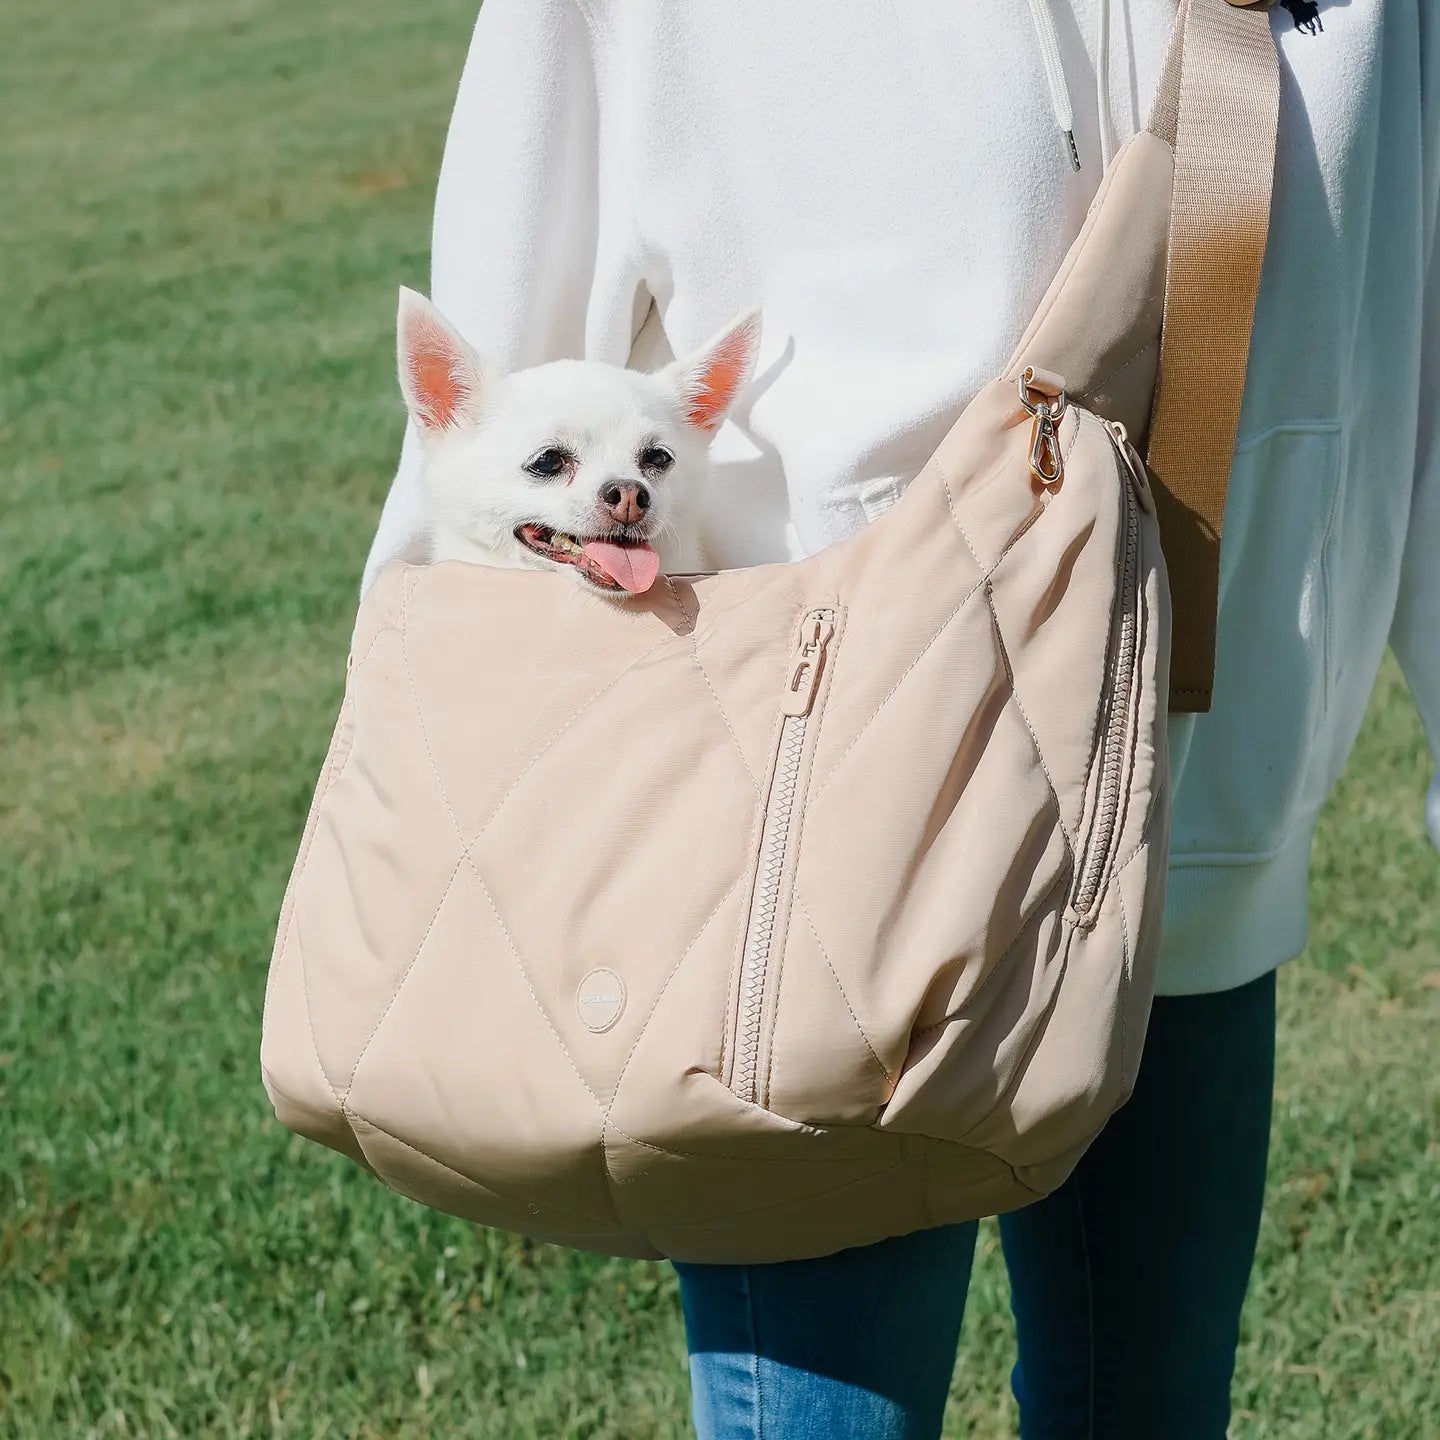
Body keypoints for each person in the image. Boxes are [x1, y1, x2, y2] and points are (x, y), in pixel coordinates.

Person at [363, 2, 1440, 1434]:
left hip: (1196, 826)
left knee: (1157, 1404)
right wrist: (431, 822)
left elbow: (1406, 339)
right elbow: (489, 401)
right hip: (805, 881)